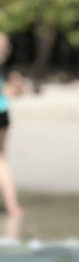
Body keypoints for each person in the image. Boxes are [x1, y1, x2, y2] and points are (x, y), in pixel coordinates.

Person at [0, 33, 24, 224]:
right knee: (1, 158)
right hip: (3, 112)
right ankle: (12, 206)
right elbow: (15, 90)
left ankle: (11, 205)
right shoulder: (7, 68)